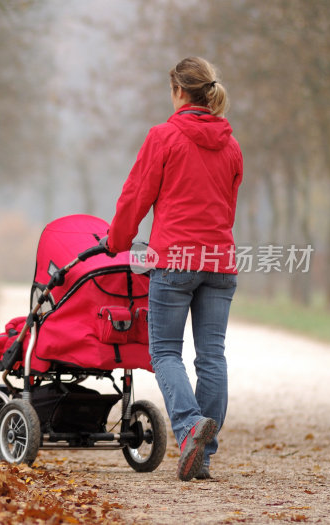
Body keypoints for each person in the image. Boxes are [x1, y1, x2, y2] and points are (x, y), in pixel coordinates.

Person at [102, 56, 243, 481]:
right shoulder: (232, 145)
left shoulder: (163, 137)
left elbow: (135, 195)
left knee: (163, 351)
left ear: (179, 91)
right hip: (220, 261)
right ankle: (204, 452)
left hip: (176, 260)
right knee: (212, 355)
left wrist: (117, 243)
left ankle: (187, 431)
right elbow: (227, 207)